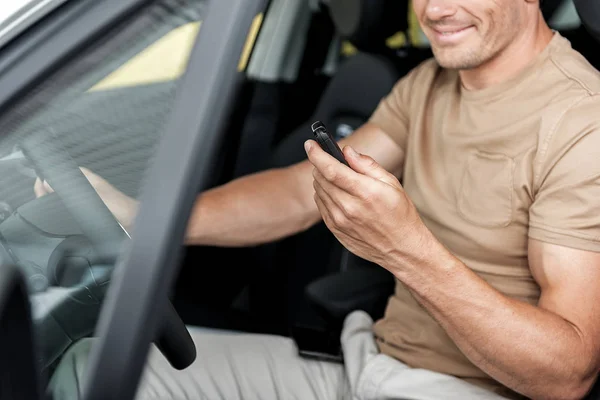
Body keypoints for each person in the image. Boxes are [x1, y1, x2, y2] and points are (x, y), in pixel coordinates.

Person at [46, 0, 600, 398]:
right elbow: (296, 194)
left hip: (463, 391)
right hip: (363, 364)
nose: (432, 11)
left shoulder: (581, 122)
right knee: (88, 368)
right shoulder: (428, 82)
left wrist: (404, 248)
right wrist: (142, 218)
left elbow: (567, 373)